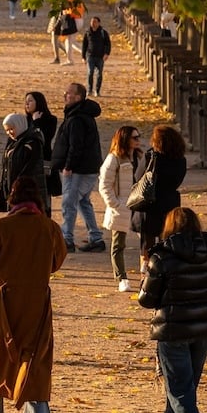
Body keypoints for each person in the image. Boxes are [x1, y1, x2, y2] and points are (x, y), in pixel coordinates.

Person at [0, 176, 69, 413]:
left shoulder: (0, 228)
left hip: (3, 298)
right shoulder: (49, 228)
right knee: (36, 352)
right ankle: (36, 412)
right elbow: (56, 260)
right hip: (37, 297)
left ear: (13, 199)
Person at [137, 206, 207, 413]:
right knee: (183, 392)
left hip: (173, 329)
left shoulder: (162, 257)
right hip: (203, 328)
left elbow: (146, 300)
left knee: (181, 393)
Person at [52, 82, 104, 252]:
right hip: (87, 167)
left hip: (79, 169)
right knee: (83, 202)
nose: (65, 95)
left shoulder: (77, 118)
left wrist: (68, 166)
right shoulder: (79, 114)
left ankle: (67, 238)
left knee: (69, 202)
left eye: (68, 93)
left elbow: (76, 145)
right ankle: (96, 237)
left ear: (78, 97)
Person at [131, 124, 188, 257]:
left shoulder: (151, 157)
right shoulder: (181, 160)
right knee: (167, 239)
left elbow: (138, 177)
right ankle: (165, 268)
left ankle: (146, 272)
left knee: (147, 243)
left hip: (150, 202)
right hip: (170, 201)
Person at [99, 126, 143, 292]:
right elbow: (104, 184)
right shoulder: (114, 159)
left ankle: (145, 274)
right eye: (134, 138)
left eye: (138, 137)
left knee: (146, 241)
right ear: (125, 139)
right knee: (118, 244)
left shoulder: (140, 157)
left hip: (139, 205)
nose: (138, 140)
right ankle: (121, 277)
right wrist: (114, 204)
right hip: (122, 206)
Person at [0, 113, 48, 217]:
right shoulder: (13, 142)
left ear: (19, 125)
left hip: (27, 192)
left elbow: (30, 168)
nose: (9, 133)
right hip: (15, 189)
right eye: (7, 130)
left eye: (11, 129)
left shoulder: (32, 143)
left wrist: (18, 184)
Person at [82, 16, 113, 96]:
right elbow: (84, 45)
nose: (93, 23)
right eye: (92, 21)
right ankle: (89, 90)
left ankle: (97, 91)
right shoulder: (88, 32)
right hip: (90, 56)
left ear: (99, 23)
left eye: (95, 22)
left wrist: (106, 54)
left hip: (100, 56)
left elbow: (108, 44)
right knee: (90, 73)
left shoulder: (103, 33)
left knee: (99, 74)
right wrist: (83, 57)